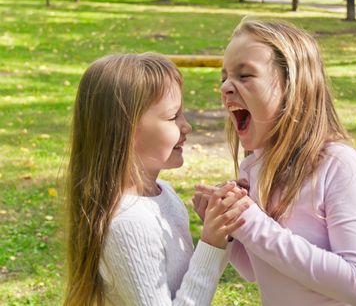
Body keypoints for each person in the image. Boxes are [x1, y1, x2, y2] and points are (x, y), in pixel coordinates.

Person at [194, 19, 356, 305]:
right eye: (224, 77)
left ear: (293, 88)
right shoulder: (255, 165)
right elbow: (262, 269)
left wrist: (252, 223)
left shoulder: (338, 165)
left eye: (244, 76)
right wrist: (230, 229)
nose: (226, 87)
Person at [63, 53, 249, 306]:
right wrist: (210, 243)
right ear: (124, 129)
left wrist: (218, 230)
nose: (187, 127)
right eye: (173, 117)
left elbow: (189, 287)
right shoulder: (128, 223)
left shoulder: (164, 194)